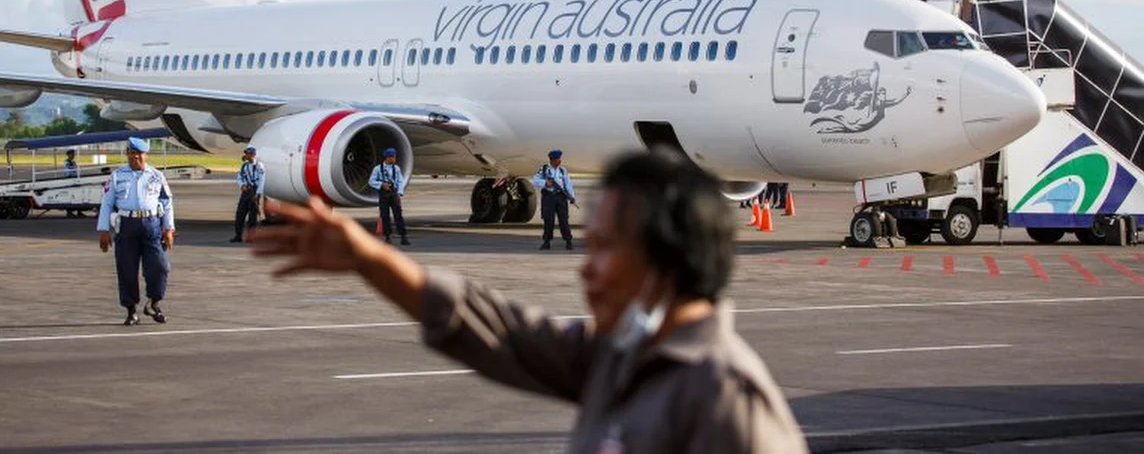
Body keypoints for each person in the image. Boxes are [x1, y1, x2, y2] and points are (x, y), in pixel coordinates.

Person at [254, 148, 808, 452]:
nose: (585, 270)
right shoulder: (622, 356)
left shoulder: (725, 401)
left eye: (605, 248)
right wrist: (366, 259)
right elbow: (496, 330)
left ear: (667, 256)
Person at [96, 137, 176, 326]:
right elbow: (107, 203)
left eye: (138, 153)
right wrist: (104, 230)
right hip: (126, 225)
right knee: (127, 269)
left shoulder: (156, 175)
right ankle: (131, 310)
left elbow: (167, 202)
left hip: (151, 224)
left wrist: (169, 228)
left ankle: (153, 302)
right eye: (131, 153)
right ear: (127, 154)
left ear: (145, 154)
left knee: (160, 266)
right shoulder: (117, 176)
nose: (135, 157)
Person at [532, 148, 577, 250]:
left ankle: (568, 241)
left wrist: (572, 196)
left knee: (564, 220)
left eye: (559, 159)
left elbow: (568, 184)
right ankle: (546, 242)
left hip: (561, 197)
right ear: (551, 160)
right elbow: (534, 181)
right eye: (556, 160)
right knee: (548, 220)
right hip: (549, 197)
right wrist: (545, 183)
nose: (559, 161)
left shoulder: (562, 170)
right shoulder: (544, 169)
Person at [367, 147, 409, 246]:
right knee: (385, 216)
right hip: (384, 194)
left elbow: (400, 181)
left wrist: (399, 192)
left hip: (393, 193)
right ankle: (387, 236)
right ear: (387, 158)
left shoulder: (396, 168)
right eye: (392, 157)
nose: (394, 159)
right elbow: (371, 181)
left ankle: (403, 236)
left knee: (398, 215)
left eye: (394, 157)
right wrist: (381, 184)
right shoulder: (378, 169)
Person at [231, 145, 266, 243]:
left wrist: (258, 194)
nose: (246, 155)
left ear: (253, 155)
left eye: (248, 154)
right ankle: (238, 235)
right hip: (246, 192)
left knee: (252, 217)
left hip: (254, 192)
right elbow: (239, 177)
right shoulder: (244, 166)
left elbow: (262, 180)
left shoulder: (259, 166)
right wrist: (242, 185)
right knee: (240, 214)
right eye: (246, 154)